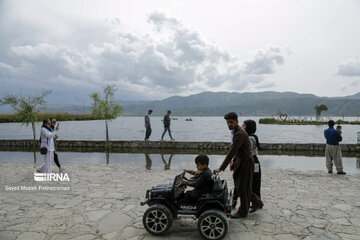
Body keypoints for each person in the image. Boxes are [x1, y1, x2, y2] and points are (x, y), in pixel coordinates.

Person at [213, 112, 261, 218]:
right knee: (242, 186)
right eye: (227, 122)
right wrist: (233, 161)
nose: (229, 124)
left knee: (242, 187)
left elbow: (232, 151)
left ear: (237, 121)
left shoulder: (239, 133)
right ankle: (257, 202)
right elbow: (237, 151)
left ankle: (243, 212)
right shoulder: (235, 131)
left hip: (245, 162)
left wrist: (221, 168)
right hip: (241, 161)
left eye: (231, 122)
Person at [241, 119, 264, 212]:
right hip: (255, 161)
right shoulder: (253, 136)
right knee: (255, 182)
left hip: (251, 161)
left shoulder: (249, 138)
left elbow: (247, 152)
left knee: (251, 182)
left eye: (243, 125)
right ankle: (256, 202)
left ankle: (256, 203)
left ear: (247, 127)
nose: (242, 126)